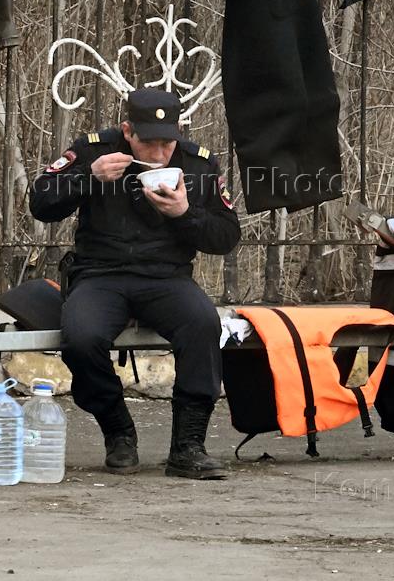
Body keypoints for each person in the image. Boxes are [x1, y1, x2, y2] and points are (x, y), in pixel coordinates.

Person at [30, 89, 241, 479]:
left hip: (167, 277)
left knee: (202, 323)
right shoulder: (95, 150)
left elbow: (227, 236)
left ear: (178, 133)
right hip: (100, 274)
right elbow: (40, 202)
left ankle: (188, 446)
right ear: (127, 131)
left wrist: (185, 214)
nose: (158, 153)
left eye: (167, 143)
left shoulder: (198, 163)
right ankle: (118, 431)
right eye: (148, 142)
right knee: (81, 337)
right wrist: (88, 176)